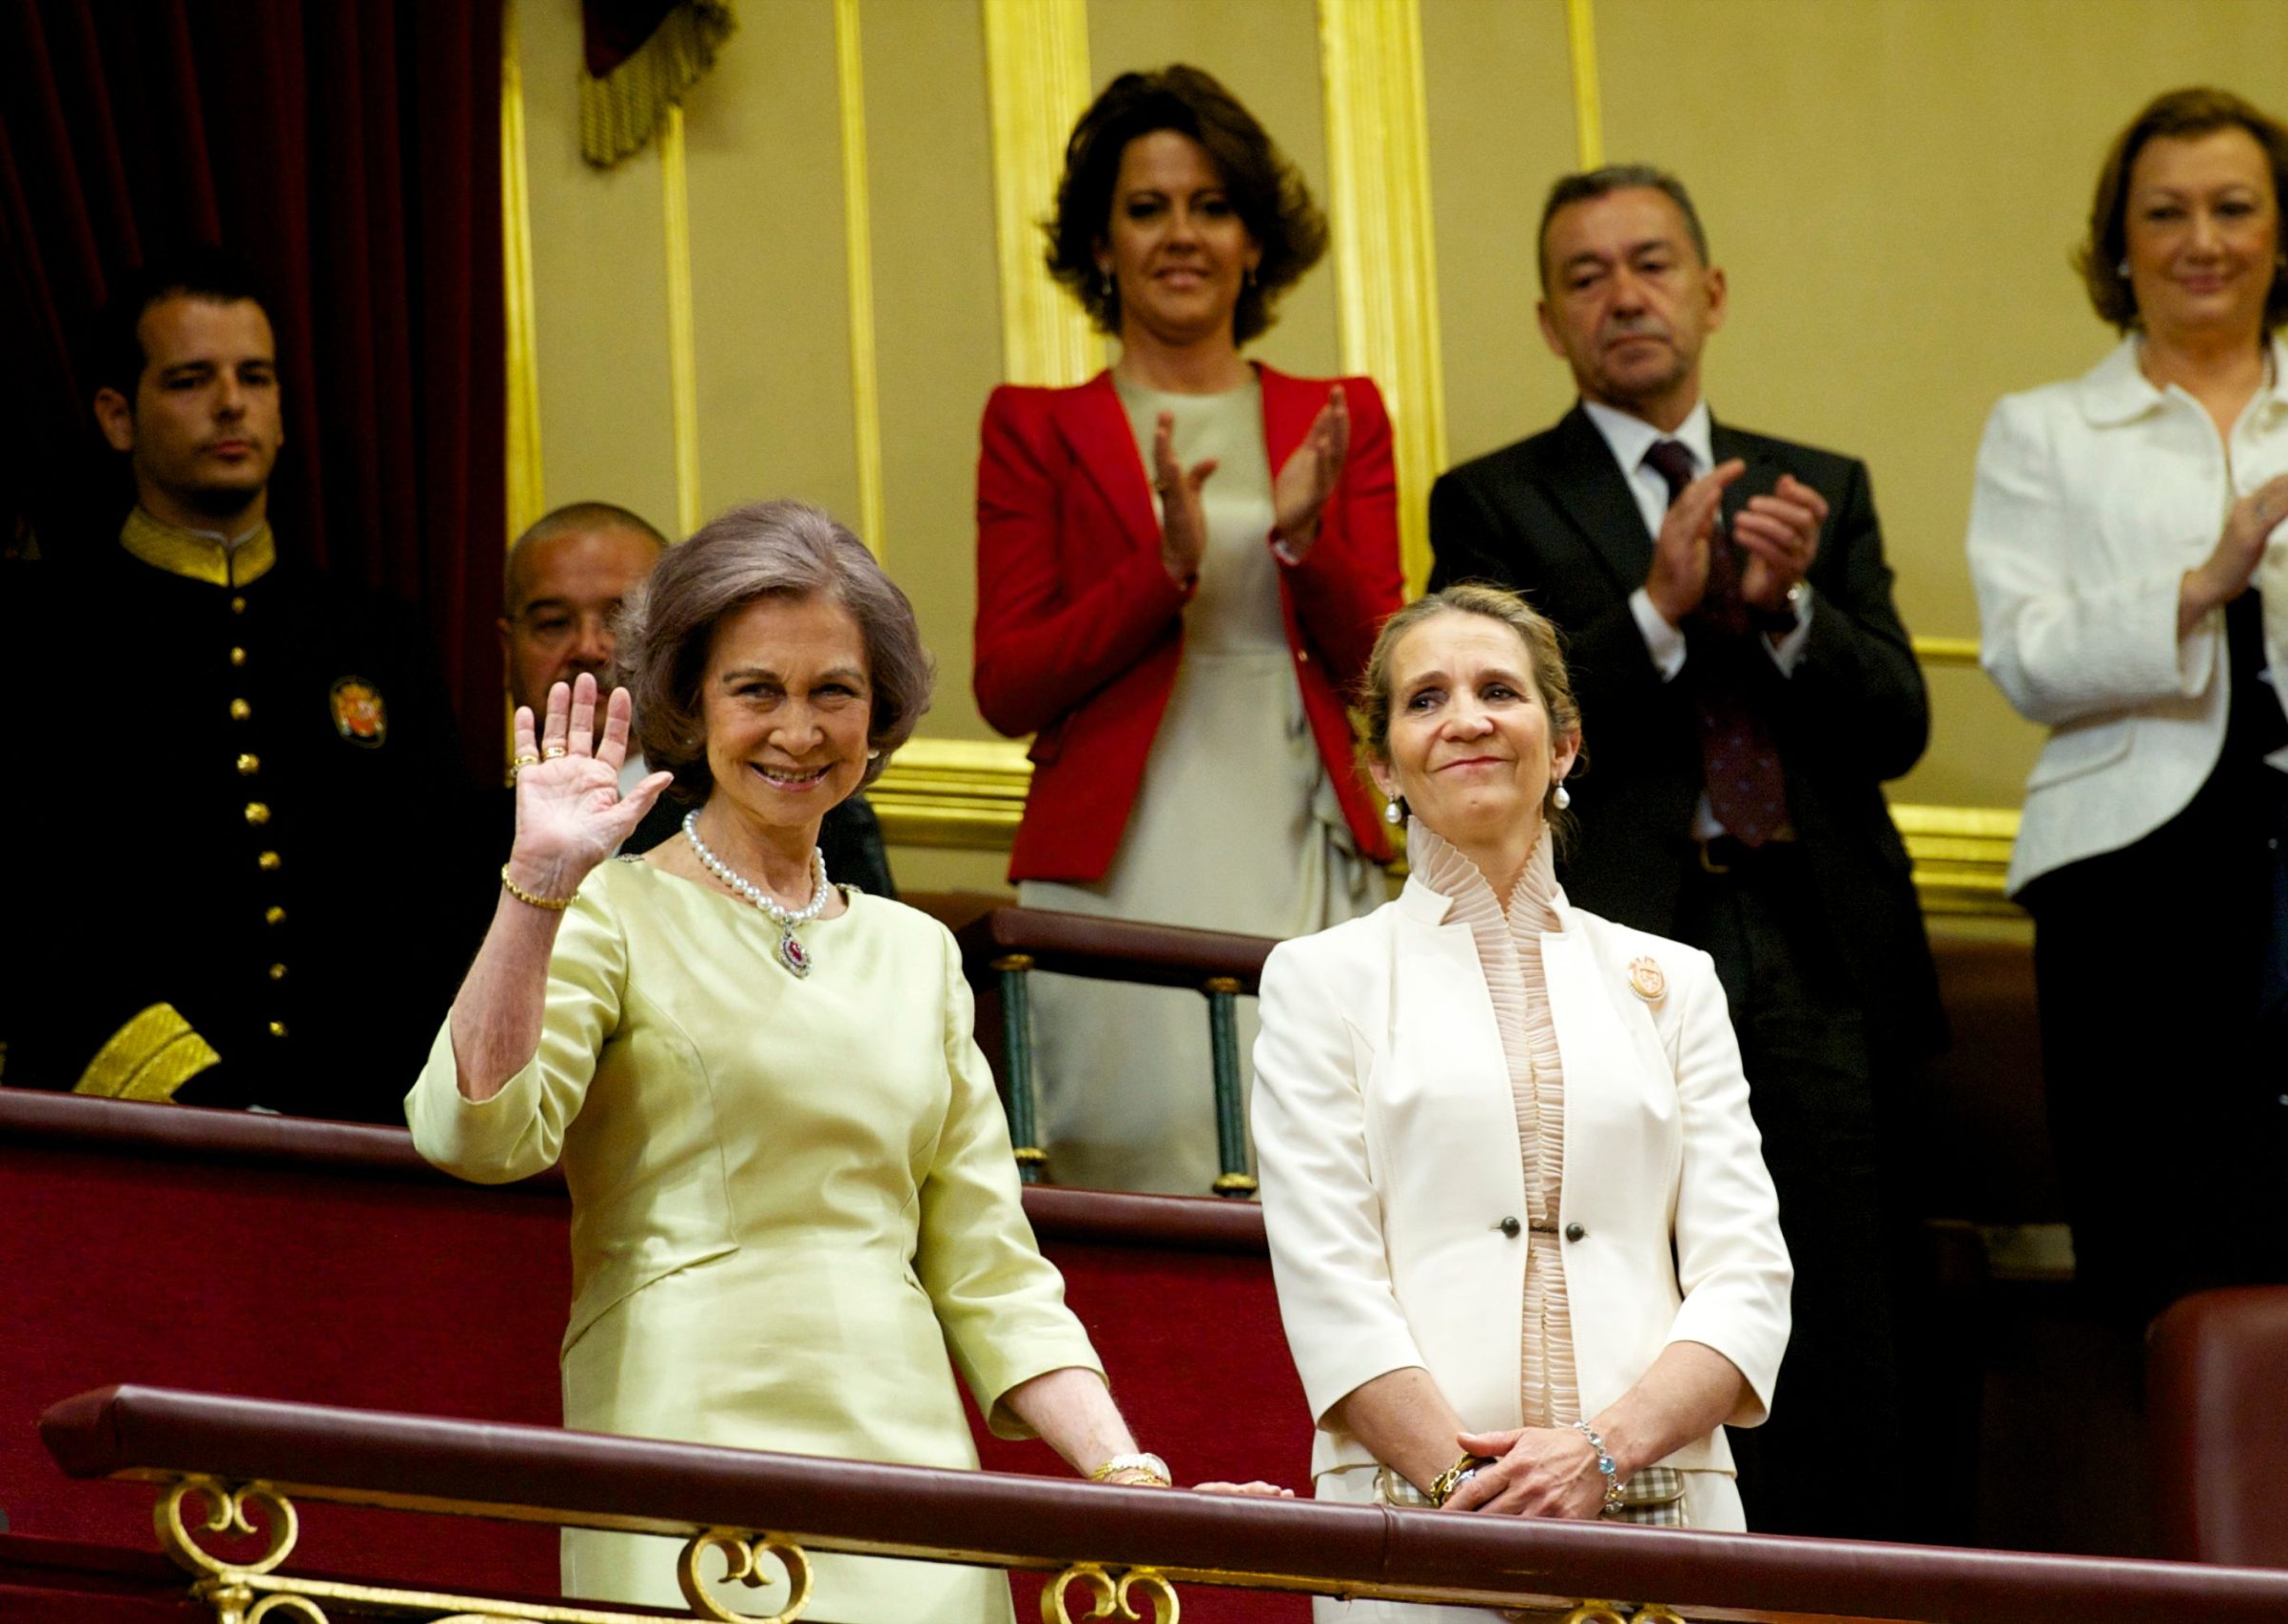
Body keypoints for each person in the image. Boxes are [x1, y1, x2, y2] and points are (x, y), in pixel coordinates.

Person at [409, 501, 1275, 1621]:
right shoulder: (607, 910)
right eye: (755, 690)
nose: (798, 730)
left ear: (880, 715)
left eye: (834, 692)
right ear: (691, 703)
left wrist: (1123, 1471)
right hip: (684, 1428)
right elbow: (474, 1137)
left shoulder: (916, 955)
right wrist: (536, 887)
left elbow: (993, 1273)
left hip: (907, 1454)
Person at [1425, 165, 1937, 1538]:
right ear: (1549, 322)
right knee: (1647, 1276)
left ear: (1709, 293)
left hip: (1816, 942)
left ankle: (1845, 1579)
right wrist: (1655, 609)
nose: (1625, 295)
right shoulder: (1492, 501)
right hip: (1623, 942)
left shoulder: (1817, 487)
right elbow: (1496, 735)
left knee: (1842, 1295)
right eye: (1587, 277)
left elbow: (1899, 723)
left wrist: (1788, 614)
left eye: (1651, 264)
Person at [1252, 585, 1790, 1622]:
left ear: (1565, 745)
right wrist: (1475, 1503)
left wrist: (1600, 1450)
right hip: (1416, 1521)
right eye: (1425, 700)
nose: (1467, 719)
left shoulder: (1673, 980)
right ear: (1380, 765)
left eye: (1500, 690)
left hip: (1665, 1503)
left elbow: (1746, 1274)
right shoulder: (1319, 979)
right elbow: (1329, 1284)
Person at [974, 64, 1402, 1196]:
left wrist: (1306, 547)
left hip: (1304, 839)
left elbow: (1385, 673)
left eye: (1211, 206)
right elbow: (1007, 684)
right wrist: (1160, 572)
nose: (1182, 235)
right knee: (1139, 1165)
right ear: (1099, 244)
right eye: (1147, 207)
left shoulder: (1338, 413)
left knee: (1326, 1177)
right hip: (1121, 858)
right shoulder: (1036, 427)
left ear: (1254, 241)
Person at [1966, 87, 2288, 1322]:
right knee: (2160, 1232)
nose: (2203, 241)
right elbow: (2023, 656)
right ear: (2119, 246)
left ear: (2286, 236)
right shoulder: (2045, 428)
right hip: (2128, 884)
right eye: (2165, 213)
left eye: (2235, 209)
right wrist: (2203, 582)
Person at [0, 246, 474, 1121]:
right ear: (116, 416)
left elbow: (435, 893)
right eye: (189, 379)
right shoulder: (38, 637)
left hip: (369, 1120)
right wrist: (195, 1093)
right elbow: (34, 909)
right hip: (141, 1126)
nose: (231, 403)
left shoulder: (374, 636)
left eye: (254, 377)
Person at [499, 499, 893, 893]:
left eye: (617, 618)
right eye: (554, 623)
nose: (589, 647)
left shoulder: (808, 809)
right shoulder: (455, 838)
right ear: (506, 651)